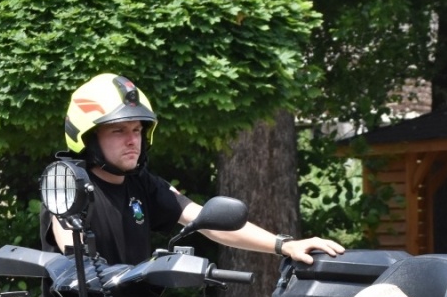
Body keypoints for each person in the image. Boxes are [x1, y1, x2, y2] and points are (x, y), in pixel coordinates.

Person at [44, 73, 342, 268]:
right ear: (88, 136)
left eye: (137, 129)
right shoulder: (65, 180)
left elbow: (204, 220)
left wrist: (284, 245)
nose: (132, 139)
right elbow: (71, 243)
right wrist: (85, 261)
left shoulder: (141, 184)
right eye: (119, 131)